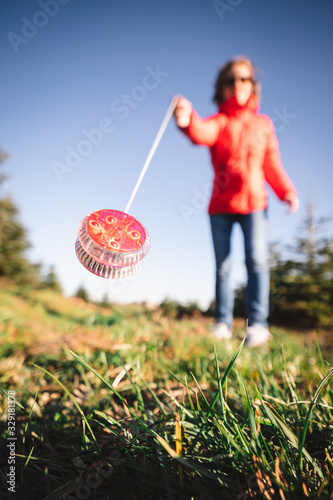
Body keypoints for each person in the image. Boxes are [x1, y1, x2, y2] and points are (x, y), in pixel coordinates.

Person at [173, 56, 299, 347]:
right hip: (220, 206)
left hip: (255, 204)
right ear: (223, 87)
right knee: (223, 267)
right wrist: (186, 117)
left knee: (256, 261)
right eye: (231, 80)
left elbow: (272, 164)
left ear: (252, 85)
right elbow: (200, 133)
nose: (238, 84)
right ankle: (223, 323)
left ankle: (257, 324)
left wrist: (287, 191)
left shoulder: (263, 124)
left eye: (244, 78)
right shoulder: (219, 121)